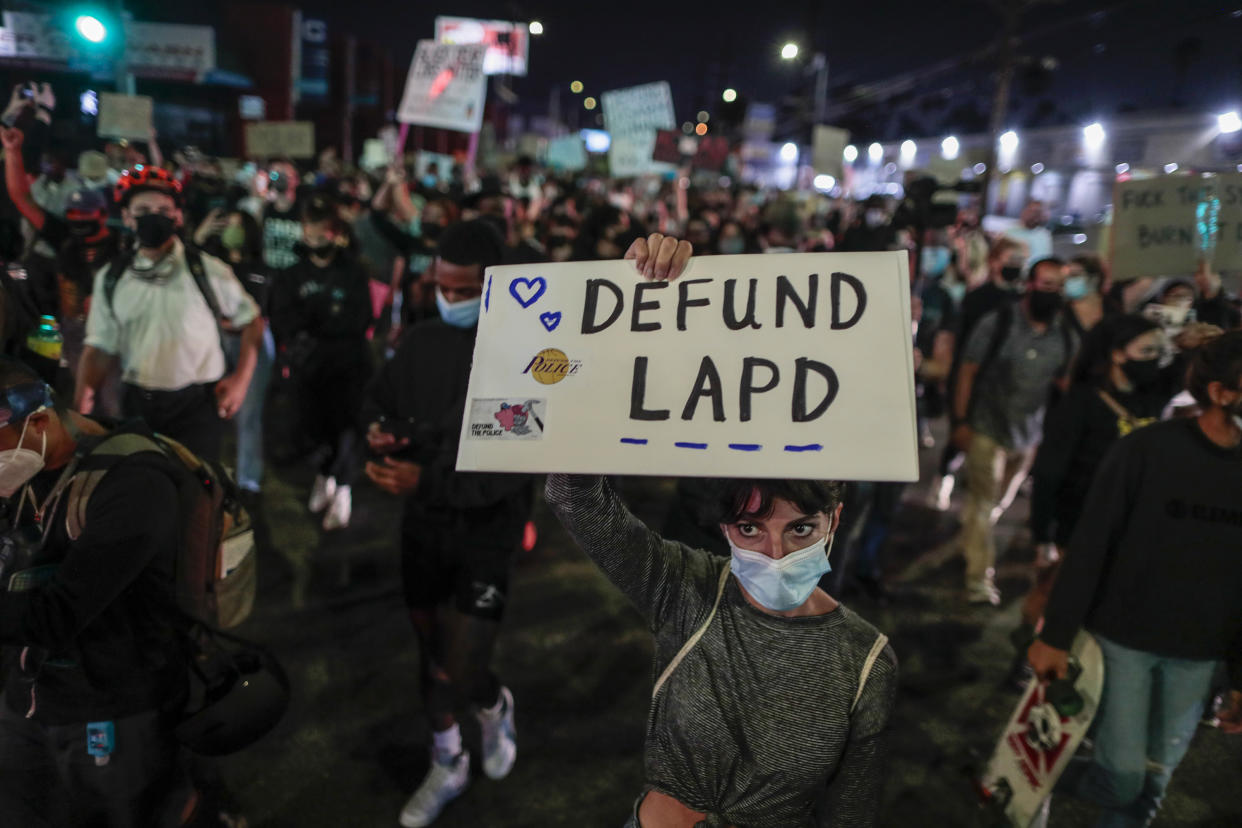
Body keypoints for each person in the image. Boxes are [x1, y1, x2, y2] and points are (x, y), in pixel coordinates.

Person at [545, 233, 896, 828]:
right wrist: (631, 311)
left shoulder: (864, 663)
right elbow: (574, 495)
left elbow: (848, 818)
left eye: (802, 529)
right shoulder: (688, 590)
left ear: (835, 520)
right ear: (725, 528)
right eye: (752, 529)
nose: (777, 553)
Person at [1027, 330, 1242, 828]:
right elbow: (1091, 544)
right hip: (1125, 639)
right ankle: (1038, 773)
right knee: (1123, 775)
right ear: (1221, 393)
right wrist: (1055, 636)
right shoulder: (1148, 449)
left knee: (1153, 779)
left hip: (1201, 652)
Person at [362, 220, 532, 828]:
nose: (451, 300)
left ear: (498, 287)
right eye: (443, 287)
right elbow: (378, 398)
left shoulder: (527, 357)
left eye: (466, 291)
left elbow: (516, 462)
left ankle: (489, 709)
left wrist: (427, 478)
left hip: (487, 531)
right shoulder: (422, 341)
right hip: (424, 528)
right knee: (430, 653)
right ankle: (449, 758)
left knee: (457, 664)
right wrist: (377, 431)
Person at [0, 358, 194, 825]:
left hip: (109, 706)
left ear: (40, 423)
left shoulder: (135, 483)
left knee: (113, 814)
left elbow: (56, 616)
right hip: (29, 694)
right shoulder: (32, 463)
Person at [75, 166, 263, 462]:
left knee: (197, 496)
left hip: (198, 406)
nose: (154, 216)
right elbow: (99, 345)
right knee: (145, 489)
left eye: (164, 209)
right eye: (143, 209)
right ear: (126, 217)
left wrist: (240, 382)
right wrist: (84, 399)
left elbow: (251, 320)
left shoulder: (208, 270)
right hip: (139, 404)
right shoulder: (112, 278)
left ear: (177, 217)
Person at [951, 257, 1074, 605]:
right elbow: (967, 371)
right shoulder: (999, 323)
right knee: (982, 502)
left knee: (998, 504)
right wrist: (960, 420)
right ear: (1029, 285)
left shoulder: (1063, 334)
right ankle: (978, 579)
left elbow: (1067, 382)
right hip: (987, 429)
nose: (1054, 293)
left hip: (1028, 436)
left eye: (1060, 286)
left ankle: (971, 539)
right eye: (1047, 284)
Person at [269, 194, 374, 530]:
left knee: (347, 430)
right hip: (309, 369)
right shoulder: (291, 275)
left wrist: (320, 322)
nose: (315, 238)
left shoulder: (354, 272)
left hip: (349, 368)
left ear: (335, 232)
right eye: (309, 231)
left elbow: (361, 318)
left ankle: (343, 486)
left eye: (322, 231)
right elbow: (284, 319)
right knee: (312, 428)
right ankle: (324, 474)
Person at [930, 236, 1026, 510]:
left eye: (1021, 261)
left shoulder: (1023, 300)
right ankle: (944, 478)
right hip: (970, 380)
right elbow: (959, 342)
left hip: (1002, 386)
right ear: (995, 262)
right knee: (961, 435)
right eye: (1012, 260)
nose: (1017, 267)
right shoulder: (976, 299)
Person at [195, 207, 274, 495]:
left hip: (250, 343)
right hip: (214, 342)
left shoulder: (260, 270)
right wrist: (201, 235)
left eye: (240, 226)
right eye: (229, 225)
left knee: (248, 414)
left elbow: (259, 313)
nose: (233, 231)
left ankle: (247, 483)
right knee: (208, 411)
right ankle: (206, 472)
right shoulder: (212, 264)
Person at [1003, 199, 1053, 267]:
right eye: (1031, 212)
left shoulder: (1045, 235)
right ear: (1024, 212)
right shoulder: (1009, 233)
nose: (1034, 216)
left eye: (1038, 213)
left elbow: (1046, 260)